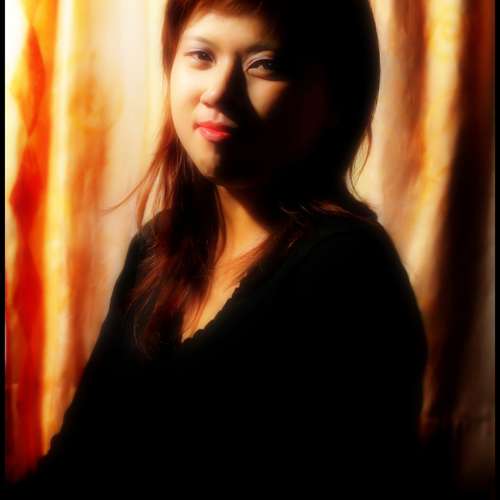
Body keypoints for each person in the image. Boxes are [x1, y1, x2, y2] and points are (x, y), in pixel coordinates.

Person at [6, 0, 427, 497]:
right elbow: (75, 462)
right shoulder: (157, 246)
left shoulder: (350, 273)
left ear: (336, 98)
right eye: (202, 56)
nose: (219, 92)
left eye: (264, 65)